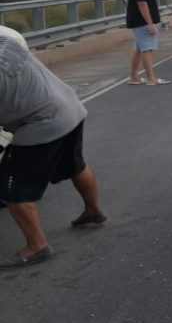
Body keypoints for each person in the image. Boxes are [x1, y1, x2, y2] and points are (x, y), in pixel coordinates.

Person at [0, 26, 107, 268]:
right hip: (68, 105)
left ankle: (37, 246)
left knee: (11, 189)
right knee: (75, 165)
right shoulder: (5, 38)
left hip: (41, 122)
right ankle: (93, 211)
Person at [126, 0, 169, 85]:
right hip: (142, 22)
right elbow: (142, 4)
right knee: (147, 49)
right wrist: (149, 23)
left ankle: (134, 77)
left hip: (137, 21)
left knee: (139, 49)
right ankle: (151, 78)